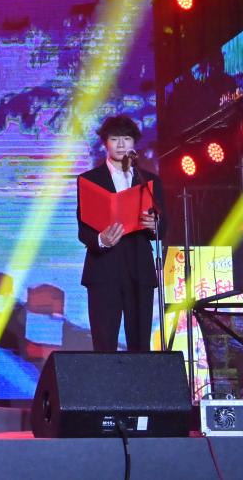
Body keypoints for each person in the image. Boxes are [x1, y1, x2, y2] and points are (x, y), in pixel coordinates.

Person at [77, 114, 166, 352]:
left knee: (140, 345)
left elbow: (163, 223)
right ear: (105, 143)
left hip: (139, 269)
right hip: (104, 271)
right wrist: (102, 240)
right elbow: (83, 230)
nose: (120, 145)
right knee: (104, 344)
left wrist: (154, 225)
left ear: (134, 143)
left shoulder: (148, 180)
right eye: (114, 139)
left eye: (126, 139)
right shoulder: (89, 180)